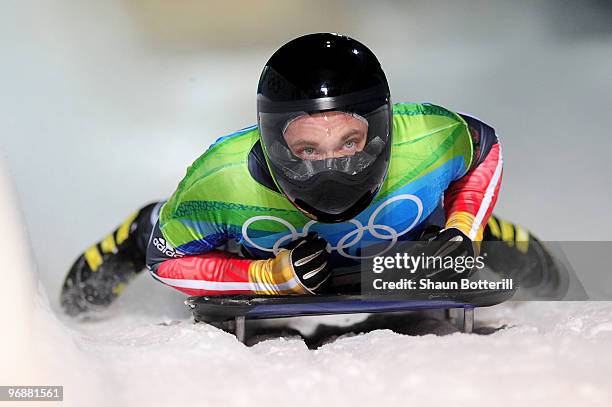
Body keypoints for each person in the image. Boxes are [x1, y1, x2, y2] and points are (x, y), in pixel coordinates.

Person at [60, 33, 550, 316]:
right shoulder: (223, 178)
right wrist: (261, 275)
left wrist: (463, 227)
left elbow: (484, 147)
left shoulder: (428, 135)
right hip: (263, 250)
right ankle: (138, 228)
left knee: (457, 232)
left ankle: (479, 233)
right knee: (166, 228)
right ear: (274, 142)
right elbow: (167, 260)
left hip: (406, 234)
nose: (333, 168)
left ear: (381, 129)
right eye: (307, 148)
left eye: (350, 142)